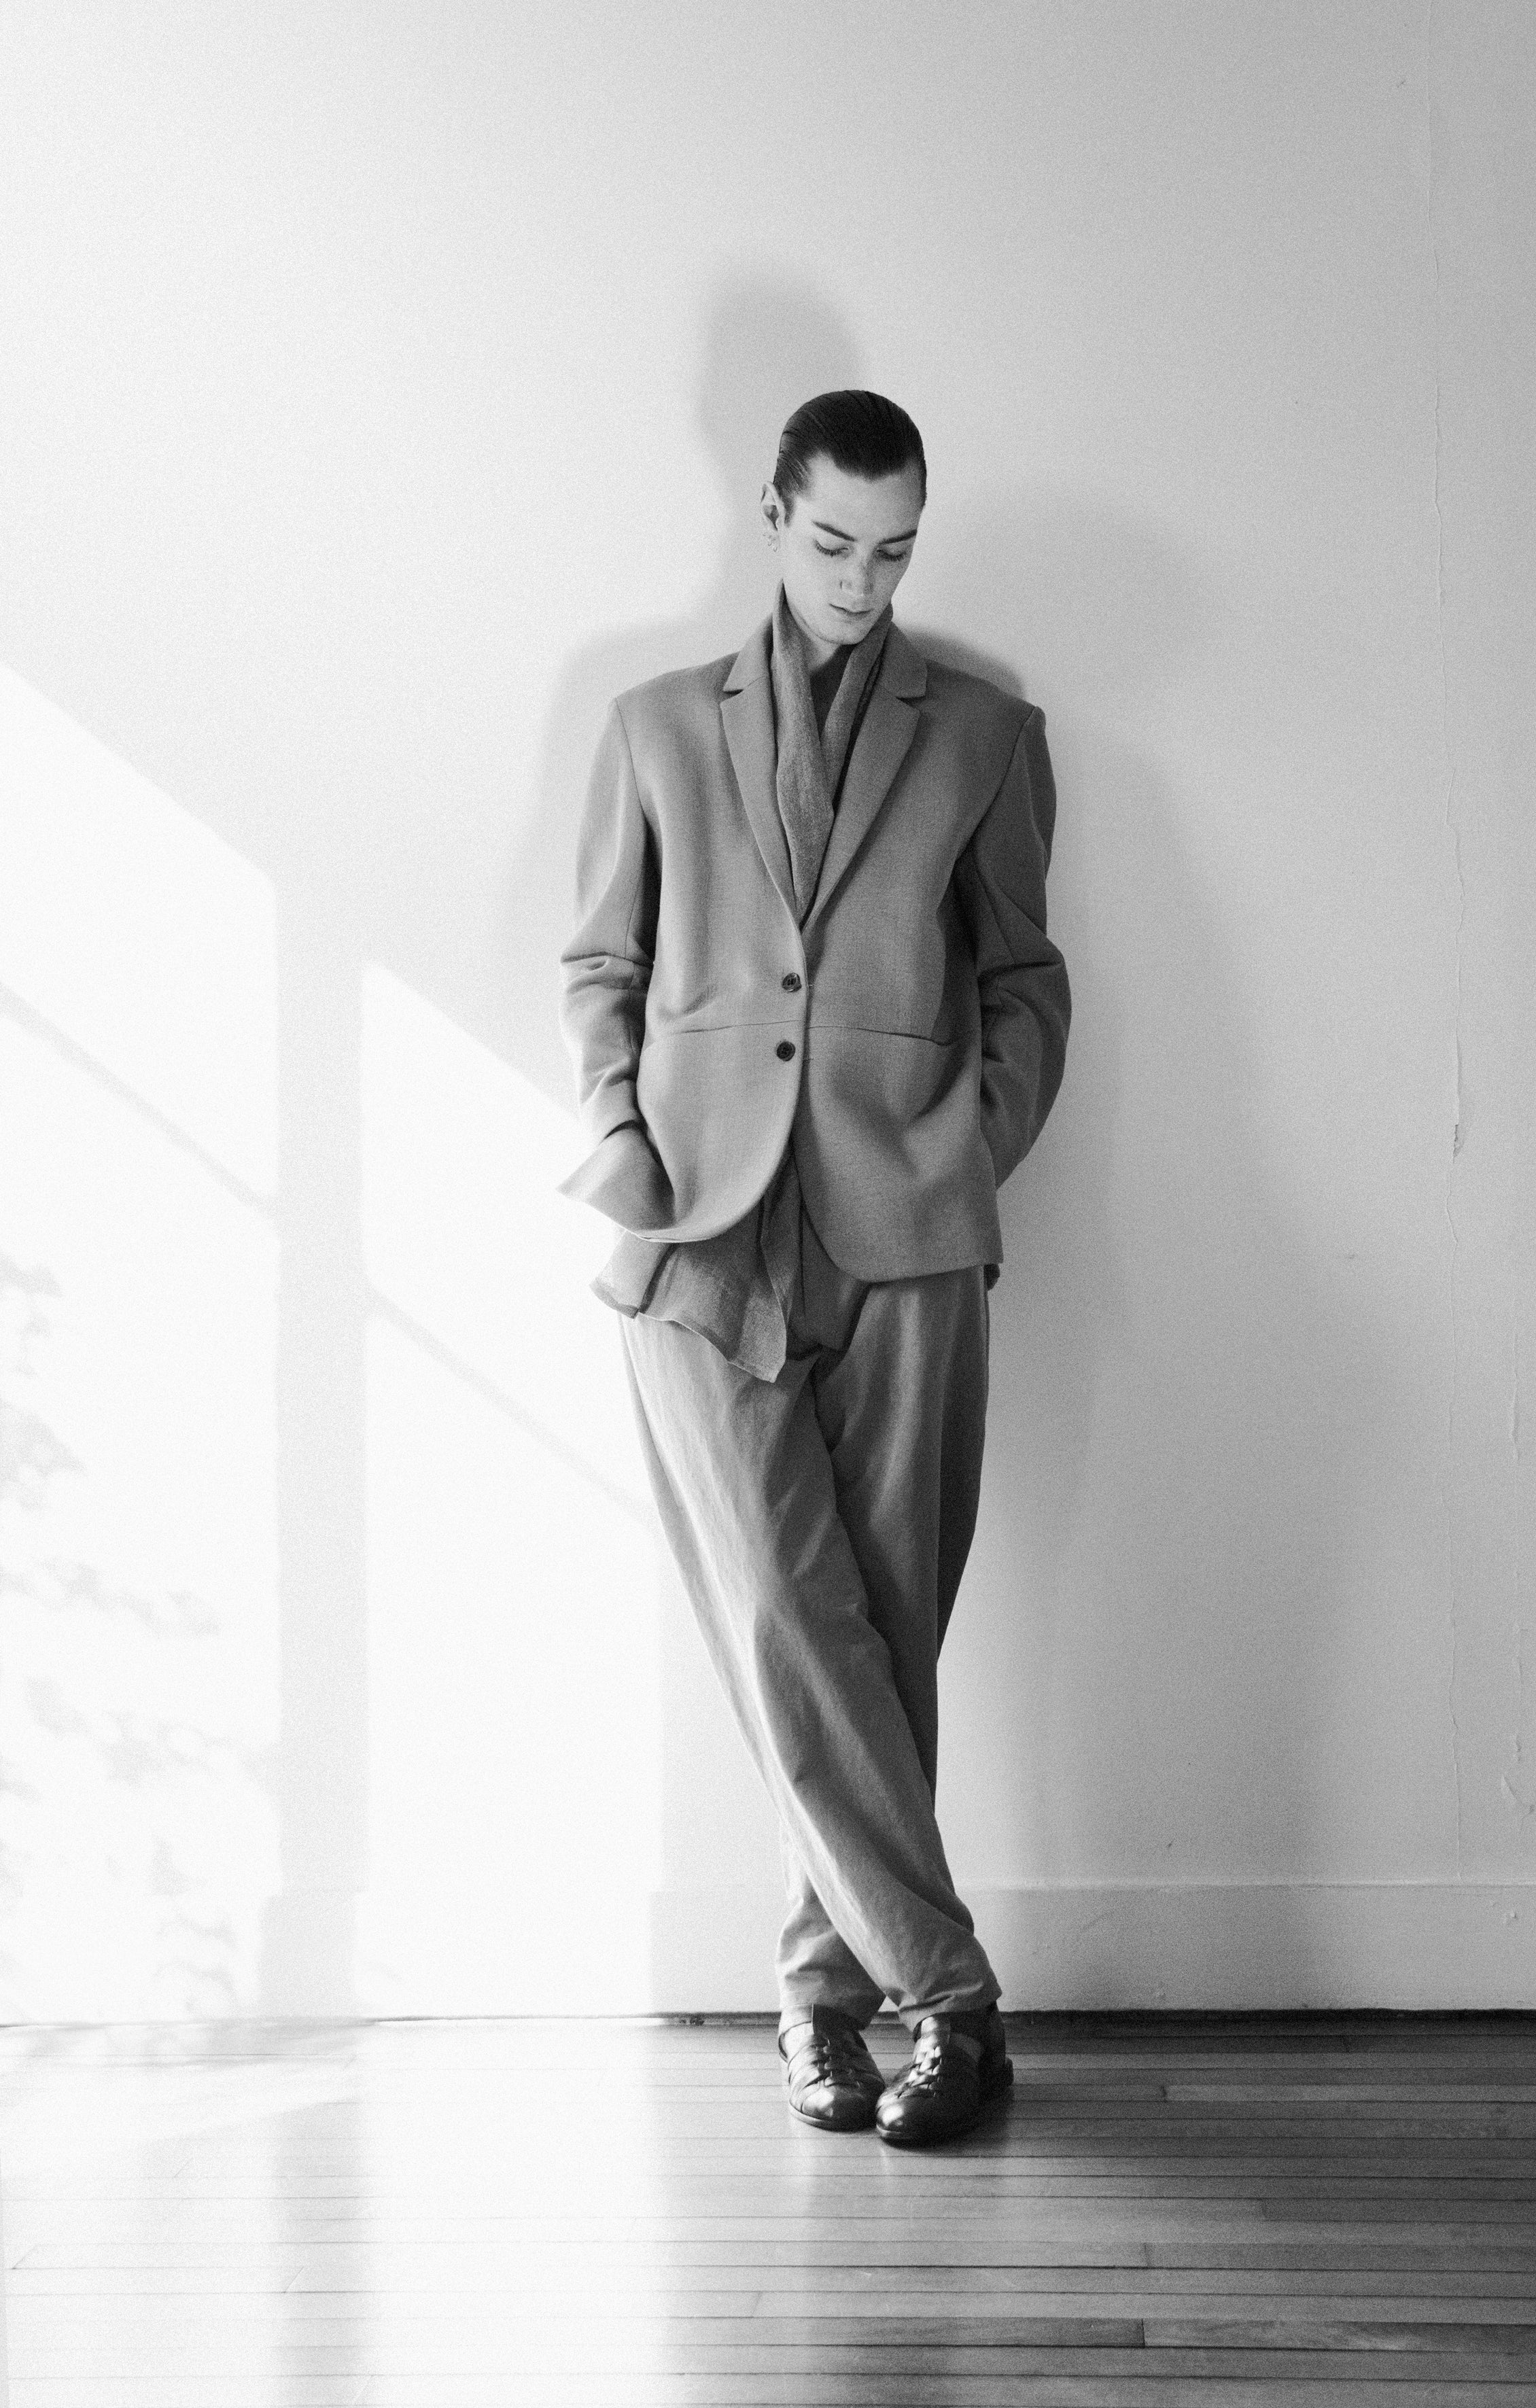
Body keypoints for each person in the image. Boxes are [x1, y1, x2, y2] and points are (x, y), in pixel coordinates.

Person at [559, 389, 1069, 2146]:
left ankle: (814, 2004)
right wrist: (617, 1132)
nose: (863, 581)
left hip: (905, 1233)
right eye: (836, 542)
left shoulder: (987, 733)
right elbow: (595, 967)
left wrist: (969, 1141)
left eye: (897, 550)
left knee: (880, 1639)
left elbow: (1023, 978)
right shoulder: (648, 727)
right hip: (700, 1236)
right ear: (772, 514)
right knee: (787, 1620)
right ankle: (956, 2001)